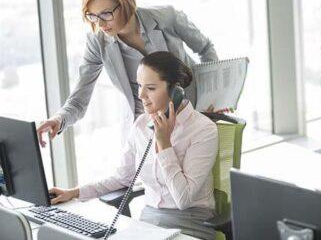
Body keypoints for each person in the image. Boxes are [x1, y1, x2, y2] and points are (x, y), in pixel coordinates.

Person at [37, 0, 218, 146]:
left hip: (193, 119)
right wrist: (59, 120)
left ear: (126, 3)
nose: (100, 24)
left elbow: (205, 48)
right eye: (92, 16)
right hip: (145, 132)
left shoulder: (167, 18)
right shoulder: (97, 42)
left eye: (106, 14)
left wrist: (213, 99)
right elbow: (79, 99)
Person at [49, 52, 219, 240]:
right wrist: (74, 192)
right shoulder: (141, 125)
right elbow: (122, 178)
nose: (141, 95)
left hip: (190, 224)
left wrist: (164, 144)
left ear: (175, 91)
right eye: (139, 86)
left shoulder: (203, 130)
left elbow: (183, 199)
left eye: (151, 88)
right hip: (148, 225)